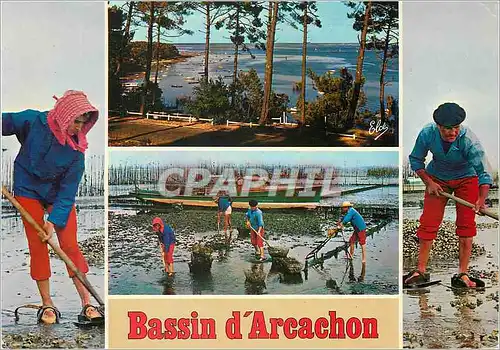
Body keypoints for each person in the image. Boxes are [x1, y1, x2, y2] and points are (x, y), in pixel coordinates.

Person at [1, 90, 102, 324]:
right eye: (76, 121)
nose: (79, 127)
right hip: (28, 189)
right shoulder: (32, 121)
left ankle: (87, 303)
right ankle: (48, 305)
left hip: (57, 196)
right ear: (64, 115)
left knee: (70, 246)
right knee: (38, 244)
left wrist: (52, 221)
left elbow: (67, 194)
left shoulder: (77, 154)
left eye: (83, 123)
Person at [404, 102, 492, 288]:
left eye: (456, 128)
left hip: (467, 178)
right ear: (438, 126)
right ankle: (420, 270)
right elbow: (416, 160)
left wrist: (481, 201)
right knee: (428, 222)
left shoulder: (469, 141)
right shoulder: (427, 133)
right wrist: (429, 182)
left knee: (466, 225)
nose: (452, 132)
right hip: (437, 178)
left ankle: (462, 274)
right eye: (447, 129)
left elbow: (484, 173)